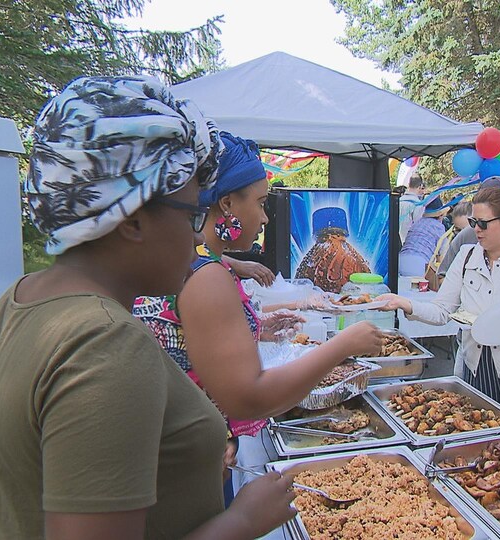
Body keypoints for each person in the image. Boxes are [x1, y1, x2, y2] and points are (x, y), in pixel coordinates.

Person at [0, 76, 296, 539]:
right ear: (134, 218)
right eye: (191, 214)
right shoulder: (107, 344)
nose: (198, 235)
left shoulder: (16, 302)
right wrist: (243, 520)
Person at [150, 132, 383, 428]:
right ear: (227, 204)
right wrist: (342, 346)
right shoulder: (208, 275)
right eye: (260, 203)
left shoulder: (200, 261)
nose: (265, 219)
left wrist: (255, 327)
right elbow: (251, 399)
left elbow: (199, 341)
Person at [378, 187, 500, 427]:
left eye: (482, 223)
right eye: (473, 222)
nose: (476, 230)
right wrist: (404, 304)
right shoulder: (466, 256)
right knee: (477, 443)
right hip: (475, 368)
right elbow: (442, 311)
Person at [399, 196, 449, 276]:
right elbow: (444, 254)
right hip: (420, 265)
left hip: (400, 261)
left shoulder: (416, 223)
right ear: (440, 215)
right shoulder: (439, 227)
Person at [429, 200, 471, 280]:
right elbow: (442, 275)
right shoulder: (453, 245)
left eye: (466, 231)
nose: (461, 236)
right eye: (458, 230)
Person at [398, 172, 426, 243]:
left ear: (408, 184)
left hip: (394, 242)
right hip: (409, 242)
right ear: (420, 186)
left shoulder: (398, 201)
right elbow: (418, 226)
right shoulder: (417, 205)